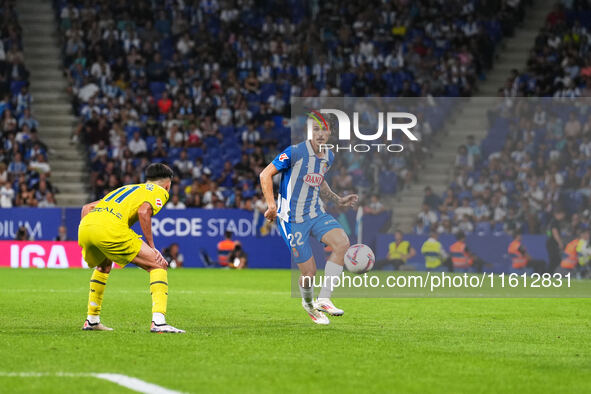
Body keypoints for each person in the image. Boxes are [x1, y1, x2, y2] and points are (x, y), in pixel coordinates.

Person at [259, 117, 358, 325]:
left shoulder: (327, 156)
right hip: (292, 219)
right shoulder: (295, 152)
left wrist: (338, 199)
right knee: (309, 273)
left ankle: (324, 298)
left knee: (343, 243)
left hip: (315, 213)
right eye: (316, 129)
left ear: (329, 133)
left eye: (324, 129)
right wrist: (271, 205)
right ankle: (309, 304)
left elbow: (319, 183)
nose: (320, 133)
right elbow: (265, 174)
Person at [78, 163, 184, 333]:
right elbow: (144, 212)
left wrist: (92, 230)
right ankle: (159, 322)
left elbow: (87, 208)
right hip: (109, 228)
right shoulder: (160, 191)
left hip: (86, 227)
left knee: (104, 266)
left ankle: (92, 320)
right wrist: (152, 247)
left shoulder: (128, 188)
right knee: (158, 264)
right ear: (168, 184)